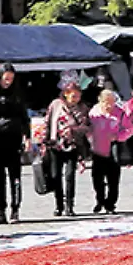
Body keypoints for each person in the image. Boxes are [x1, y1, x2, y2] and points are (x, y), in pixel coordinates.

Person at [0, 65, 29, 224]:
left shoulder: (17, 94)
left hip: (14, 139)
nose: (8, 82)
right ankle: (1, 210)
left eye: (11, 78)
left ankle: (15, 209)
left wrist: (27, 137)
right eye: (6, 78)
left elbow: (25, 117)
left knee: (15, 175)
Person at [44, 80, 91, 216]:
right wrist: (44, 140)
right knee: (55, 175)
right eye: (73, 96)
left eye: (78, 96)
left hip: (73, 145)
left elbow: (86, 126)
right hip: (56, 144)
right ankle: (59, 205)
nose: (76, 99)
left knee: (70, 175)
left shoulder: (83, 108)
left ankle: (69, 205)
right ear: (65, 94)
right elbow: (48, 121)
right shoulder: (55, 104)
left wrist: (73, 130)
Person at [87, 88, 127, 214]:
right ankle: (100, 199)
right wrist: (89, 139)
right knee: (97, 178)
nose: (109, 105)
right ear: (100, 101)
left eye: (112, 102)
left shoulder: (120, 113)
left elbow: (129, 129)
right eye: (106, 102)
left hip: (113, 148)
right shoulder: (93, 113)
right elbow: (87, 128)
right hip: (97, 149)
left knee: (113, 179)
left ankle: (110, 204)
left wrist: (118, 137)